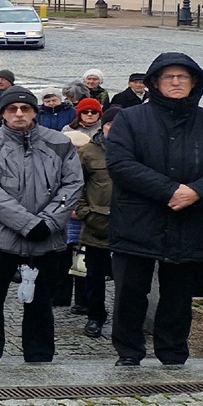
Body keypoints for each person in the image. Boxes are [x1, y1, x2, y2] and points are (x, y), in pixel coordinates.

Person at [105, 54, 203, 366]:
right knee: (130, 291)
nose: (175, 82)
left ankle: (172, 352)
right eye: (168, 77)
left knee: (180, 295)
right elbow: (120, 164)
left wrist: (197, 191)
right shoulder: (131, 119)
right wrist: (170, 190)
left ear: (194, 82)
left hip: (192, 221)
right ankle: (129, 352)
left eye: (182, 77)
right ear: (155, 82)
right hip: (138, 221)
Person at [0, 88, 83, 364]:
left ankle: (39, 355)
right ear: (3, 113)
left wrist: (49, 220)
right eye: (12, 109)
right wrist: (27, 223)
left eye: (25, 108)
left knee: (41, 302)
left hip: (46, 237)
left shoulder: (59, 143)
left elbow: (72, 184)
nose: (19, 114)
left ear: (34, 111)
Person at [74, 105, 119, 340]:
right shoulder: (89, 151)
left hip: (128, 224)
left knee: (128, 278)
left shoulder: (136, 149)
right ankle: (95, 316)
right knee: (94, 275)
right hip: (96, 223)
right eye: (111, 124)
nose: (115, 129)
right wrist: (83, 211)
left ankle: (125, 321)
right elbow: (75, 183)